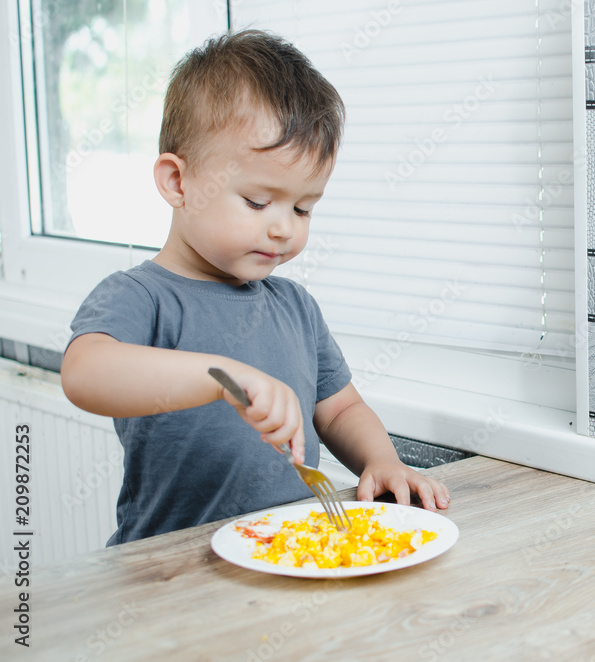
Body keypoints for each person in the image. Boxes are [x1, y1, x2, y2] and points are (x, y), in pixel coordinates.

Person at [61, 29, 450, 545]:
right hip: (167, 577)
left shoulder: (295, 307)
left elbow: (341, 409)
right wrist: (220, 377)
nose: (284, 227)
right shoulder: (141, 297)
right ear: (179, 183)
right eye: (257, 201)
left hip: (284, 556)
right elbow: (85, 373)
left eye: (303, 207)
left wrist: (381, 460)